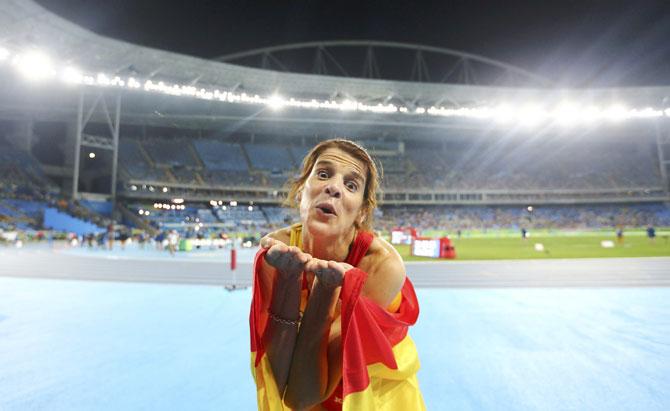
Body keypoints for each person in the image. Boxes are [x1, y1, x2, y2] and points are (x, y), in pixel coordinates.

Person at [250, 139, 425, 410]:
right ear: (301, 191)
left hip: (378, 396)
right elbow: (283, 386)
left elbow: (304, 394)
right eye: (323, 174)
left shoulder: (380, 266)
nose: (333, 187)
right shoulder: (277, 251)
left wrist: (325, 291)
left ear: (362, 212)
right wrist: (288, 280)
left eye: (351, 185)